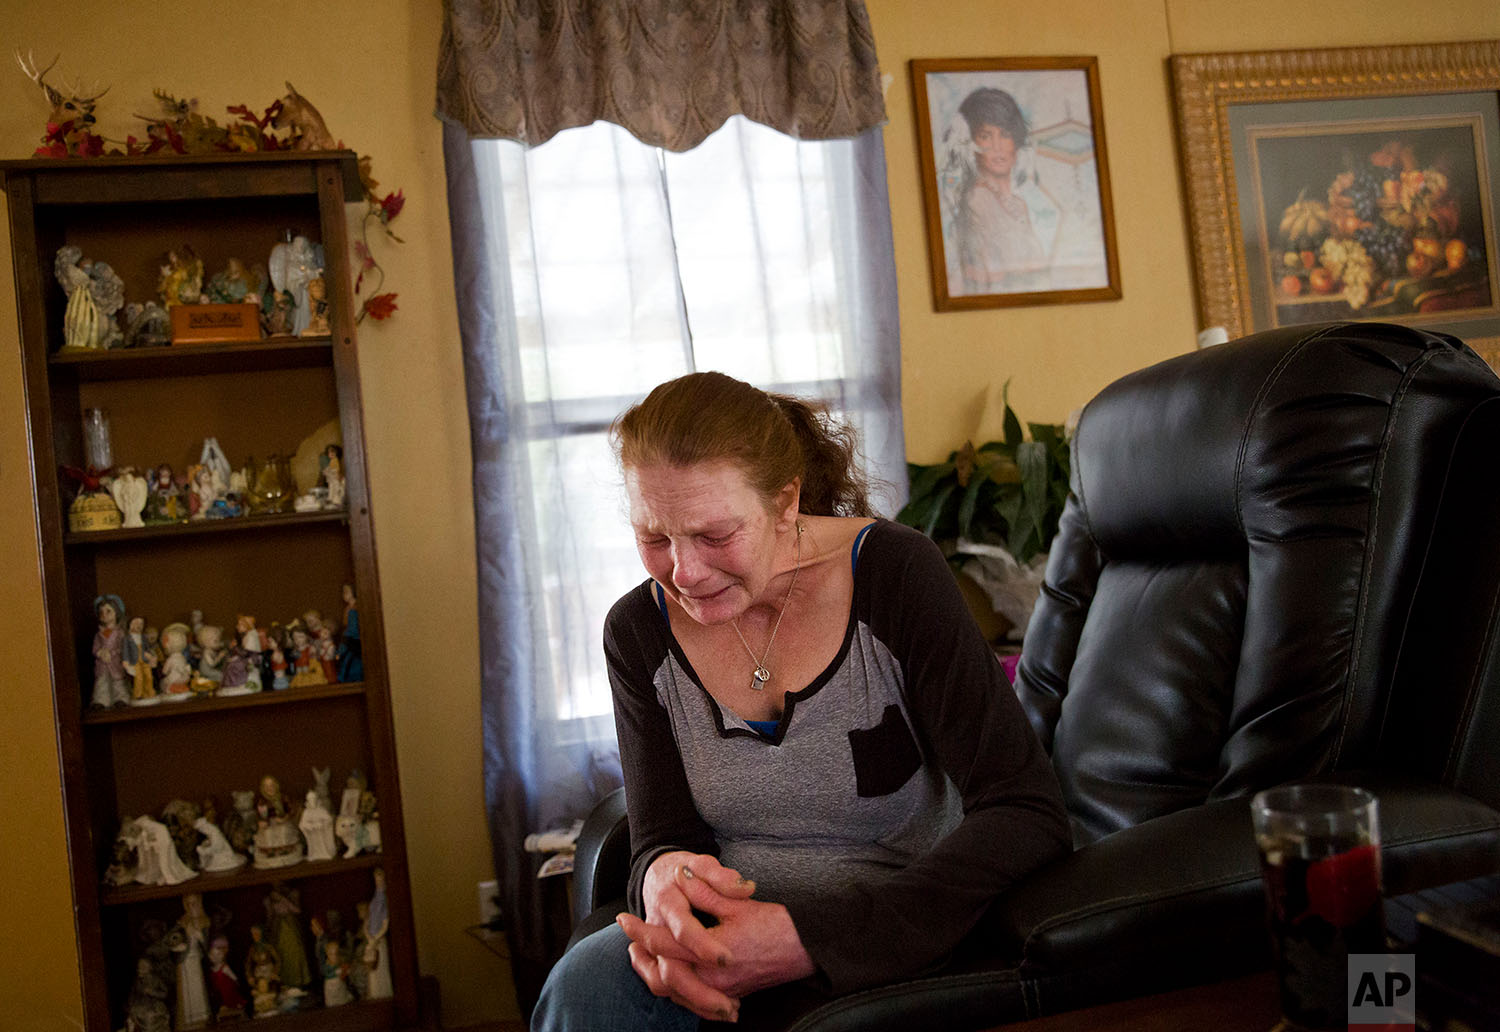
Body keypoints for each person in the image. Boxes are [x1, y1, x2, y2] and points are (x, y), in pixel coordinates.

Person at [532, 372, 1069, 1029]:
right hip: (724, 940)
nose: (684, 571)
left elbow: (1027, 810)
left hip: (893, 935)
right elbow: (662, 837)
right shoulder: (638, 633)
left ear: (785, 502)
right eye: (654, 538)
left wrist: (804, 938)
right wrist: (663, 883)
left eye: (714, 535)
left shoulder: (896, 576)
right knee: (585, 986)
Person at [954, 87, 1048, 294]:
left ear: (1016, 141)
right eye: (986, 136)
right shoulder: (976, 200)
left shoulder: (1018, 204)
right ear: (972, 144)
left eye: (1005, 134)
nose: (997, 146)